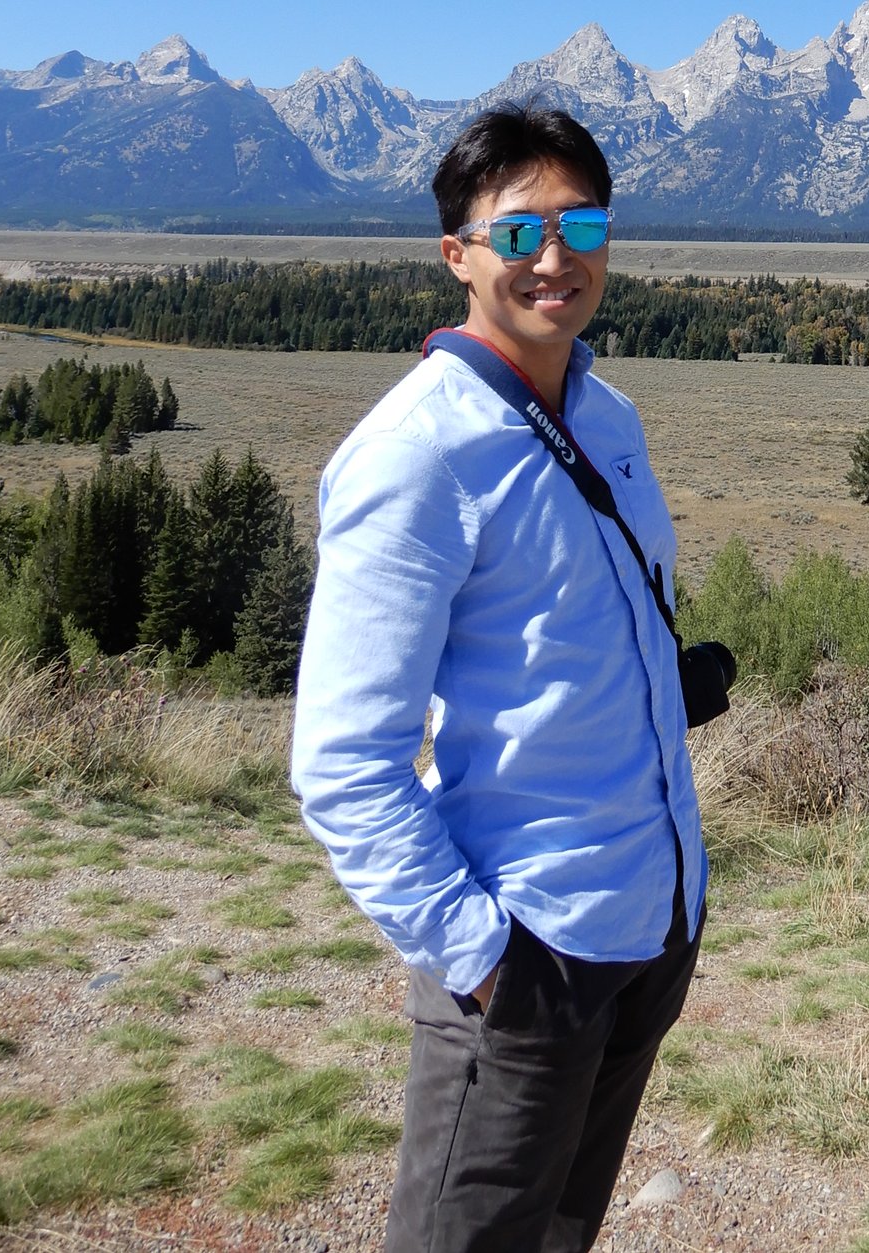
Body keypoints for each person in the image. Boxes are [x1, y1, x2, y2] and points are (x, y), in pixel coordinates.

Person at [291, 106, 706, 1253]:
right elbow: (342, 765)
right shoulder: (415, 454)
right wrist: (484, 963)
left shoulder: (607, 416)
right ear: (458, 255)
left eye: (583, 225)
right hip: (529, 951)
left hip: (648, 926)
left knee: (560, 1234)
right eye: (519, 231)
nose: (556, 256)